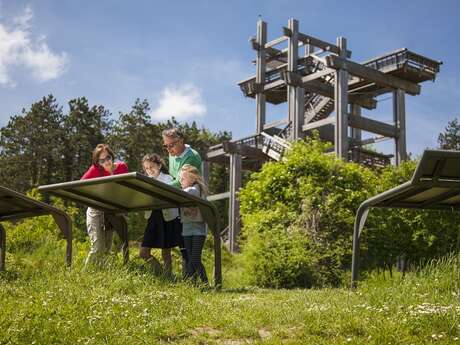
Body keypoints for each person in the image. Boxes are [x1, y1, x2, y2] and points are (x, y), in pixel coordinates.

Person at [81, 144, 128, 267]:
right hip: (96, 210)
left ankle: (101, 274)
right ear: (98, 162)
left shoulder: (122, 167)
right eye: (102, 160)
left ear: (112, 156)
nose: (106, 161)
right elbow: (80, 185)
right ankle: (85, 275)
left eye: (108, 157)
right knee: (97, 247)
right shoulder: (95, 170)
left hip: (111, 211)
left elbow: (126, 188)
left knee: (107, 248)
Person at [139, 153, 184, 276]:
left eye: (151, 167)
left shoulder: (168, 179)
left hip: (167, 217)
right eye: (146, 168)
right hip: (152, 218)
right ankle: (159, 272)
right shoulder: (145, 181)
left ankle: (168, 276)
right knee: (143, 252)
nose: (149, 170)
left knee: (166, 251)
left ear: (159, 165)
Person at [179, 164, 209, 285]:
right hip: (186, 229)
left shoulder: (196, 189)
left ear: (192, 179)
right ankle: (193, 283)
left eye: (183, 178)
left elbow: (189, 192)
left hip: (198, 231)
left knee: (195, 258)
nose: (180, 181)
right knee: (190, 258)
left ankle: (204, 283)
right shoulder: (186, 190)